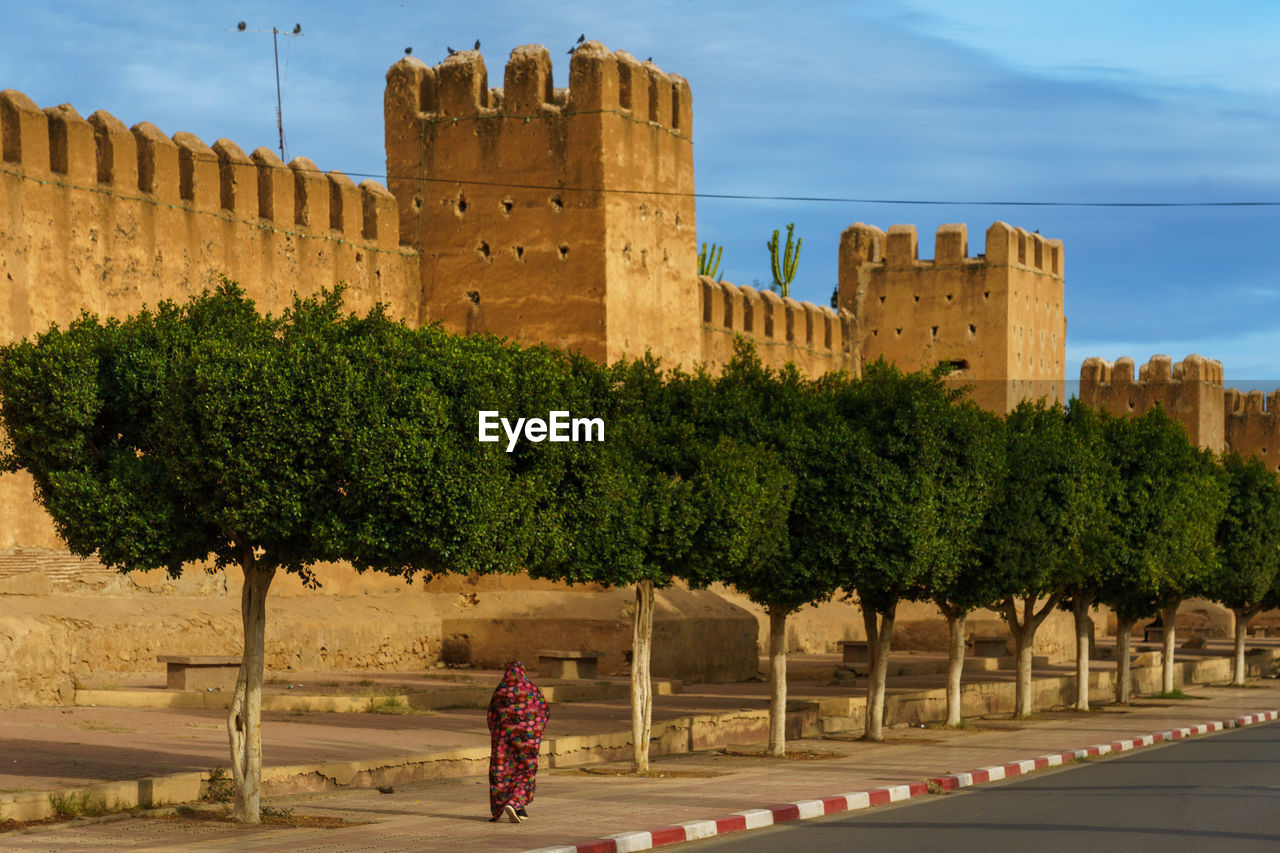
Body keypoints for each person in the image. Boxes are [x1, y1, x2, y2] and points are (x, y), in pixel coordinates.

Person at [486, 660, 550, 823]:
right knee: (525, 772)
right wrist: (534, 732)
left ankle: (510, 806)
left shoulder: (500, 690)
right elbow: (543, 711)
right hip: (526, 741)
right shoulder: (532, 689)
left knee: (503, 771)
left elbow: (492, 716)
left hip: (504, 740)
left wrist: (498, 733)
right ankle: (515, 802)